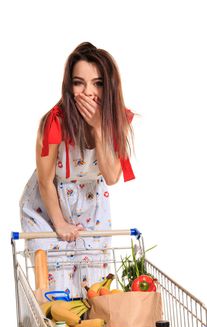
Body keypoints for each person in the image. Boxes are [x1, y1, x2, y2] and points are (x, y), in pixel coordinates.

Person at [20, 42, 135, 297]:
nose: (88, 92)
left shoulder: (116, 121)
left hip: (91, 204)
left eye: (98, 83)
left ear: (109, 87)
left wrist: (98, 127)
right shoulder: (54, 121)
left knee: (91, 287)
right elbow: (45, 180)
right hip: (46, 206)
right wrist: (59, 223)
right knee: (56, 287)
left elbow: (112, 176)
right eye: (78, 82)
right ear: (68, 85)